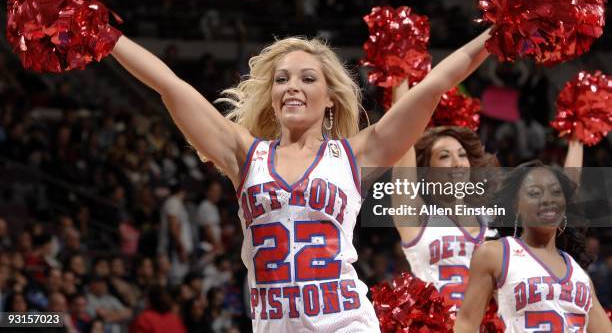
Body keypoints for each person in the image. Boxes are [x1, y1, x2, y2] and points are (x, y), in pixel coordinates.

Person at [110, 27, 491, 331]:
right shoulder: (245, 155)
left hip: (347, 324)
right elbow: (170, 85)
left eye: (308, 78)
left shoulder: (354, 155)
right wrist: (103, 36)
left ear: (329, 98)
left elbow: (436, 83)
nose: (292, 85)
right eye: (282, 79)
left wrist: (498, 32)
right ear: (272, 95)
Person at [391, 80, 584, 309]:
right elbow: (402, 138)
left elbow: (562, 196)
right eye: (444, 156)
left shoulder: (494, 219)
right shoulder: (416, 219)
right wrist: (399, 71)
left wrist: (579, 134)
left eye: (462, 155)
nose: (457, 163)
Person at [454, 162, 612, 332]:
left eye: (556, 192)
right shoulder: (495, 254)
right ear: (516, 206)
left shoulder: (580, 275)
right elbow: (466, 323)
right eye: (535, 193)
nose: (547, 200)